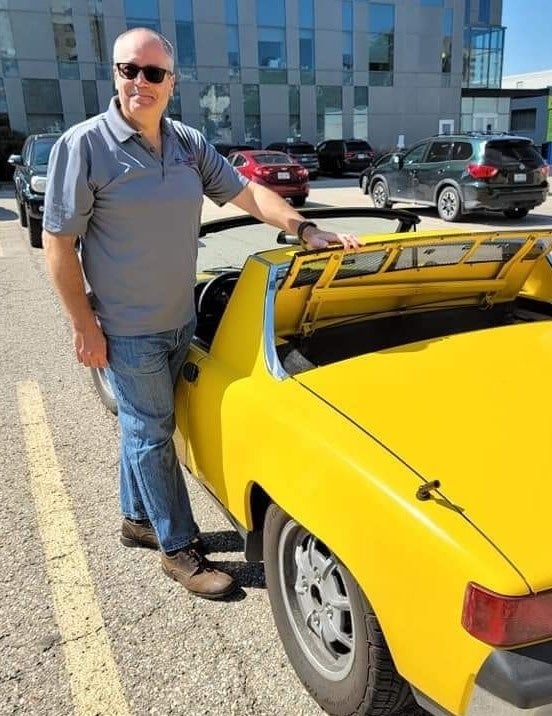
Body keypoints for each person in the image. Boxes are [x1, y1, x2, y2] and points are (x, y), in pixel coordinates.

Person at [42, 27, 359, 600]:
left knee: (145, 431)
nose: (140, 82)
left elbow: (246, 193)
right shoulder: (84, 145)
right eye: (128, 69)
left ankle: (137, 519)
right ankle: (179, 549)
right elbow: (58, 243)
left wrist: (304, 227)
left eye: (153, 73)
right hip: (126, 326)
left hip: (180, 317)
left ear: (172, 82)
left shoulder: (187, 142)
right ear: (114, 73)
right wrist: (83, 326)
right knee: (151, 432)